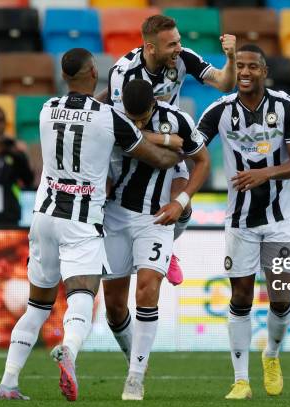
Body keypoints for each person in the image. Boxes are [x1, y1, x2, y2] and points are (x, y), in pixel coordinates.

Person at [0, 48, 181, 402]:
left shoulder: (46, 109)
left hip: (43, 217)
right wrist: (177, 147)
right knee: (81, 298)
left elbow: (78, 117)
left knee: (37, 305)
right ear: (94, 72)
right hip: (80, 222)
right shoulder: (110, 118)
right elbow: (154, 156)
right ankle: (69, 350)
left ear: (65, 76)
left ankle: (9, 382)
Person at [197, 44, 290, 400]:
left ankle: (272, 354)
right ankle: (241, 380)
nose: (244, 72)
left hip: (283, 217)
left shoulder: (286, 108)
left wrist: (265, 174)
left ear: (264, 71)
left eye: (251, 67)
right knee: (241, 296)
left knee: (280, 295)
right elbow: (191, 150)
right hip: (240, 219)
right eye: (239, 66)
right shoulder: (219, 111)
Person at [97, 14, 237, 285]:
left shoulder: (183, 58)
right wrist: (163, 140)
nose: (178, 49)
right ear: (150, 48)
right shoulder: (124, 72)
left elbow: (224, 83)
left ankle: (166, 249)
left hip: (168, 139)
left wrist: (230, 59)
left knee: (183, 204)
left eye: (178, 42)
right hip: (128, 147)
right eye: (171, 44)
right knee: (106, 199)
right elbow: (117, 128)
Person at [102, 79, 210, 400]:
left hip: (157, 217)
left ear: (154, 104)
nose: (134, 123)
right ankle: (133, 357)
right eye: (129, 117)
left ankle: (134, 377)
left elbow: (201, 161)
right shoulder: (109, 118)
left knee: (147, 290)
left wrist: (182, 201)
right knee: (114, 306)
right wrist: (161, 139)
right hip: (115, 216)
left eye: (141, 116)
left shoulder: (178, 119)